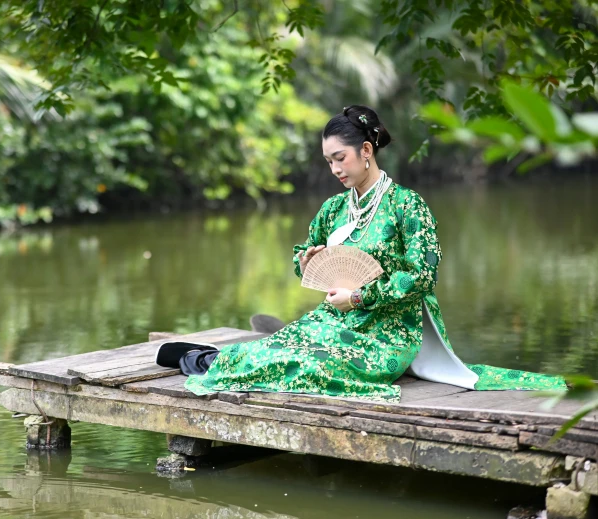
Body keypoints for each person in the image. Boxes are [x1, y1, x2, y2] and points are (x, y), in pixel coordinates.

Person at [157, 105, 567, 403]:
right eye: (328, 161)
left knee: (314, 365)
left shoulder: (407, 205)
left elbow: (421, 277)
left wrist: (360, 297)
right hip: (333, 320)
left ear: (366, 151)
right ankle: (208, 359)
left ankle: (207, 363)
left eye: (341, 158)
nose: (335, 168)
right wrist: (305, 260)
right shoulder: (334, 208)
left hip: (388, 333)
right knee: (277, 348)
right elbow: (305, 249)